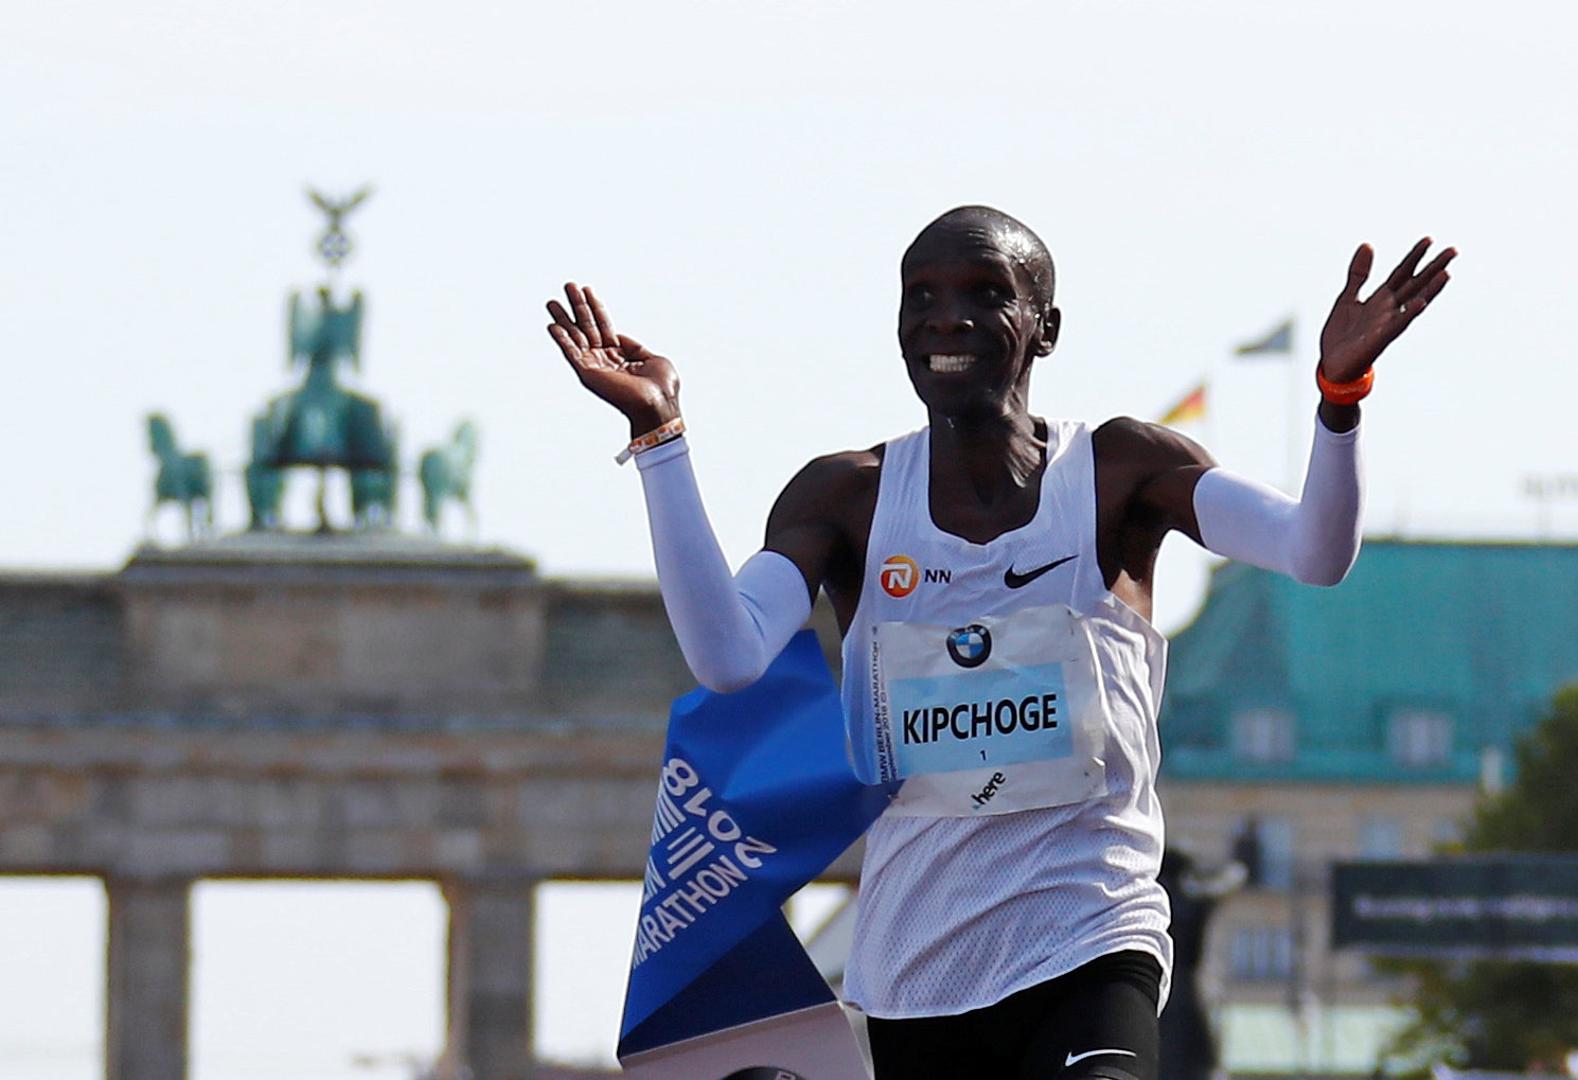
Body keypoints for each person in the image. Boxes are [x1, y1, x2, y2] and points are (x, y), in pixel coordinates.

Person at [546, 207, 1453, 1079]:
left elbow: (1314, 552)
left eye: (986, 294)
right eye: (923, 297)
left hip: (1091, 928)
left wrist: (1340, 400)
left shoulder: (1123, 470)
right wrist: (658, 437)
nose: (949, 318)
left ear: (1045, 327)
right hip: (919, 963)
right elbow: (728, 654)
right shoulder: (846, 497)